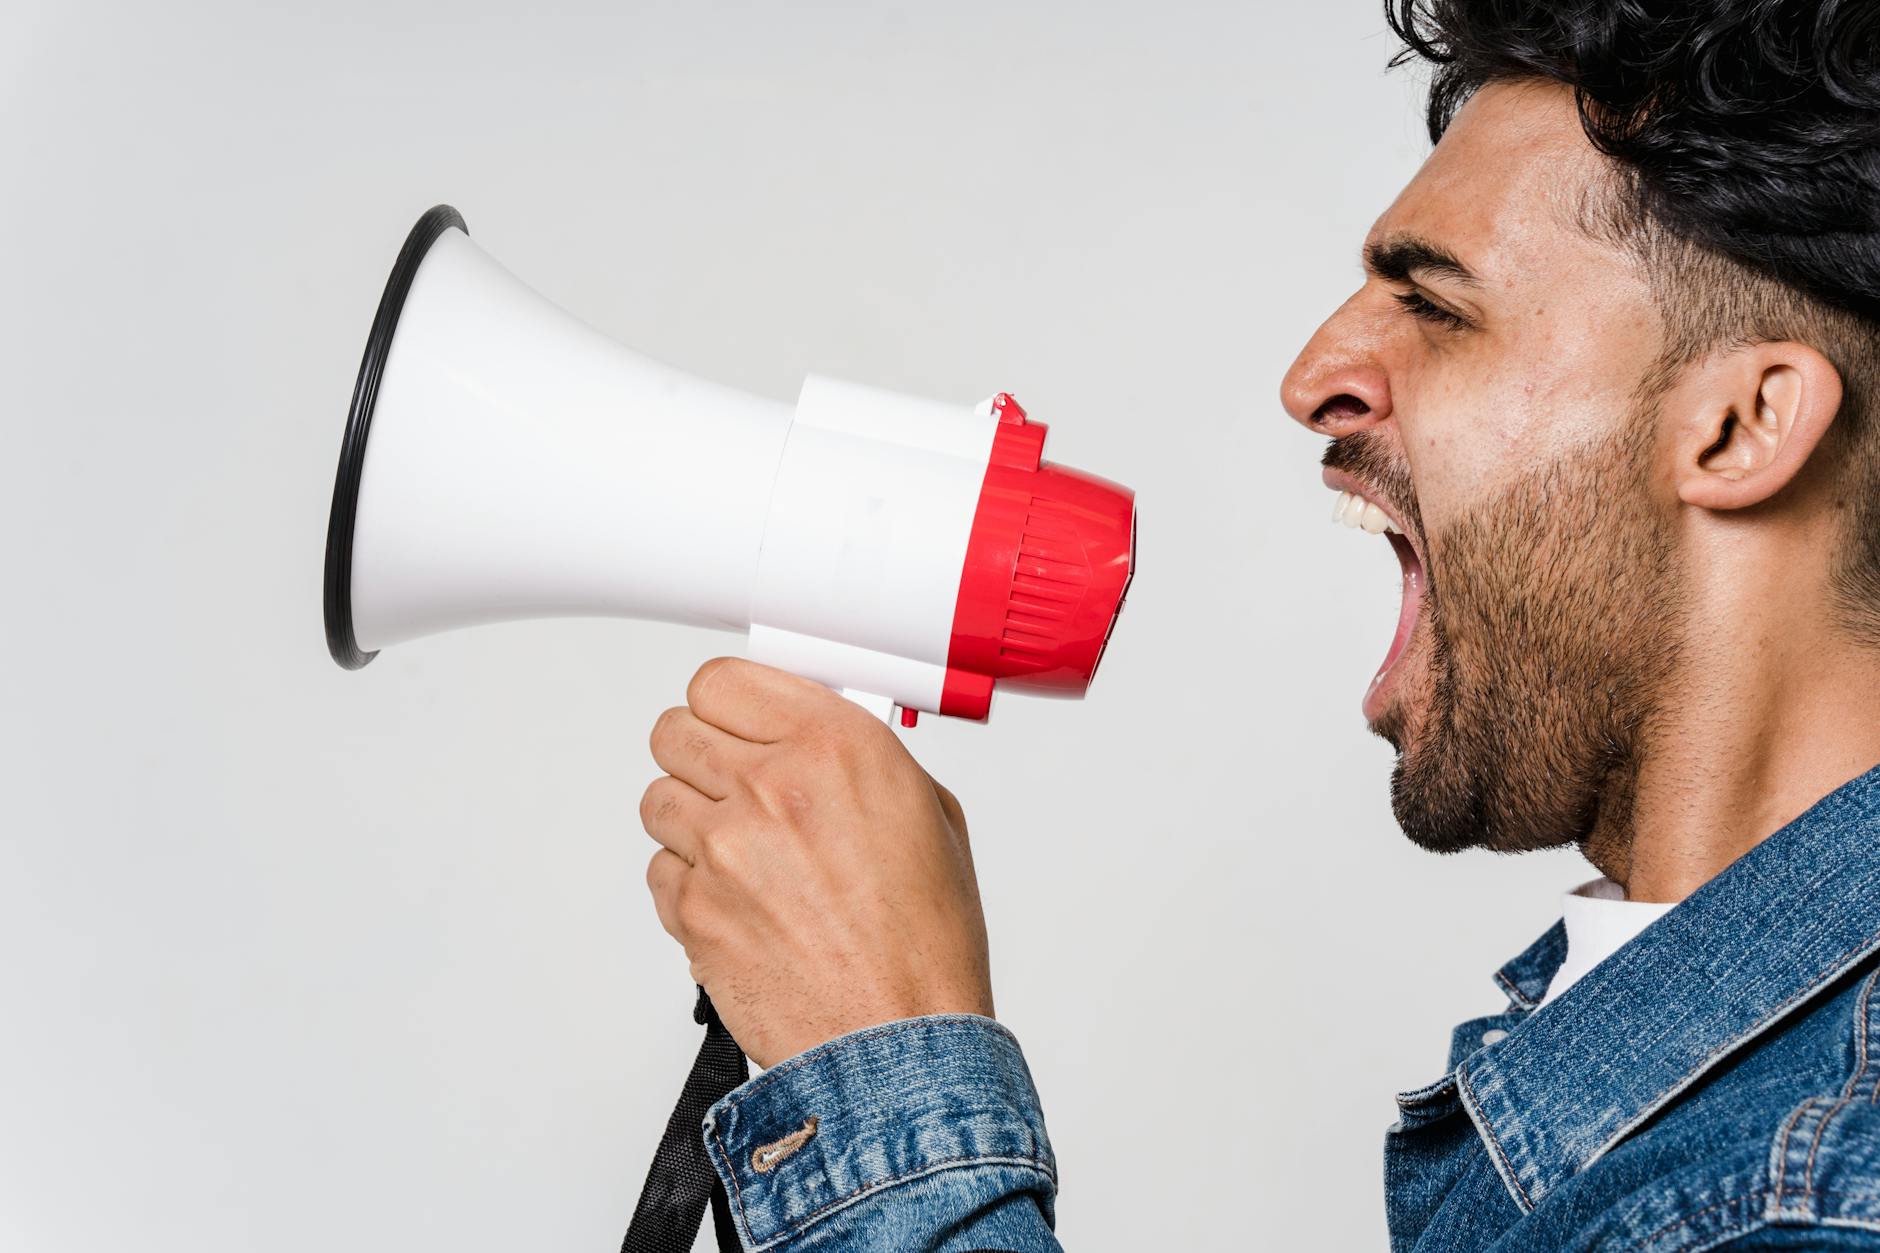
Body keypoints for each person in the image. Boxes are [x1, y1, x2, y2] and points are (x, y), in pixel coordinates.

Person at [636, 1, 1880, 1247]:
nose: (1312, 373)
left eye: (1436, 307)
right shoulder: (1675, 1084)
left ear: (1741, 425)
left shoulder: (1809, 1199)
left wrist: (883, 1070)